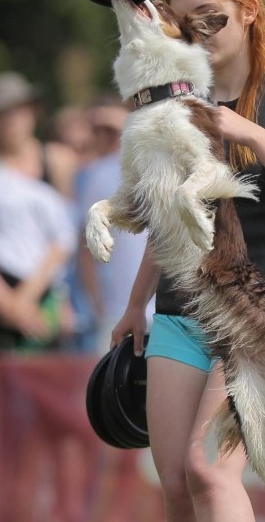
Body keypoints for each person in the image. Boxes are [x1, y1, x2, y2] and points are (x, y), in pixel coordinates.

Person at [109, 0, 265, 522]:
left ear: (249, 14)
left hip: (260, 311)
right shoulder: (178, 97)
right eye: (187, 22)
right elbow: (171, 218)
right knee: (175, 487)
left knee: (209, 472)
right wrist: (135, 304)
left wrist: (255, 137)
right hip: (180, 311)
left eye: (212, 16)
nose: (200, 33)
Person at [0, 71, 77, 354]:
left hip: (45, 292)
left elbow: (66, 237)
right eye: (1, 114)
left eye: (17, 111)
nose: (11, 121)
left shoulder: (59, 161)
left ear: (32, 111)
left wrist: (30, 297)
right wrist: (7, 303)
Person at [71, 94, 154, 353]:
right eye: (98, 130)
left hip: (165, 308)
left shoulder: (154, 162)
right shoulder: (96, 173)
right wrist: (97, 302)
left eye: (110, 129)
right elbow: (86, 243)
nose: (104, 136)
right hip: (116, 309)